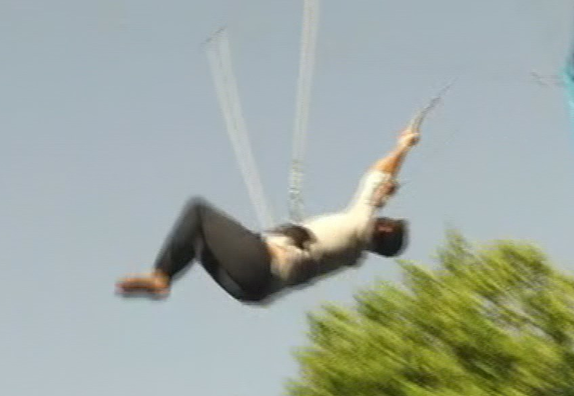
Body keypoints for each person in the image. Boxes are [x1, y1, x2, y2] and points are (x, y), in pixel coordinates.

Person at [115, 125, 419, 304]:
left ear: (383, 230)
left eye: (386, 220)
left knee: (198, 213)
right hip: (253, 290)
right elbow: (377, 192)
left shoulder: (358, 225)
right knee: (197, 239)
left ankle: (161, 277)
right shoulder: (353, 255)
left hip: (261, 265)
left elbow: (376, 176)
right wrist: (381, 196)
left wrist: (403, 147)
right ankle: (164, 277)